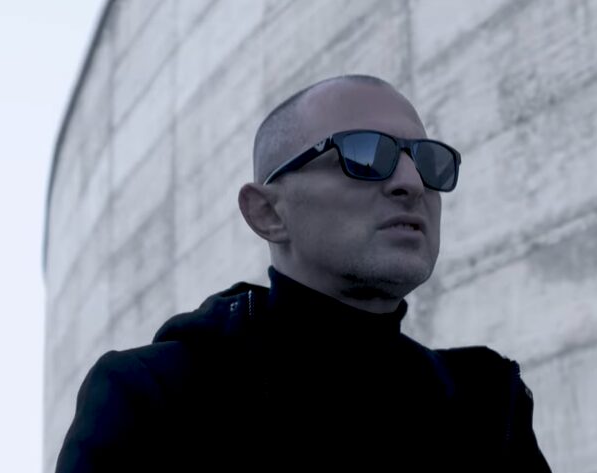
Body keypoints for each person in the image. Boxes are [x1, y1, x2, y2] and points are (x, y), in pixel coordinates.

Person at [55, 75, 553, 472]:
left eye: (428, 162)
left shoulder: (487, 403)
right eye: (365, 154)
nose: (411, 183)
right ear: (268, 213)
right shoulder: (155, 397)